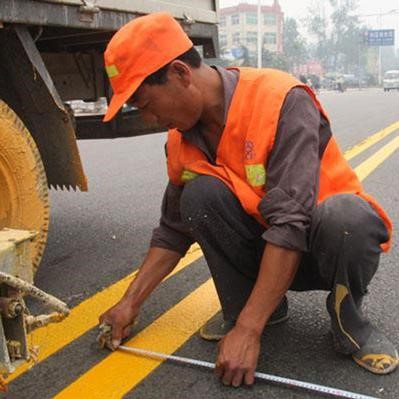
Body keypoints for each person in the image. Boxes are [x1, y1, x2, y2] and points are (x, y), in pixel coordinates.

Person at [99, 12, 398, 387]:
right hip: (266, 256)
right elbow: (172, 231)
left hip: (324, 249)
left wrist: (247, 332)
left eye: (145, 103)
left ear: (180, 73)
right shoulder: (181, 139)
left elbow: (291, 223)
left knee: (348, 217)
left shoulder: (281, 99)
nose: (147, 119)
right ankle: (257, 309)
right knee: (199, 195)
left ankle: (349, 321)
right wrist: (130, 303)